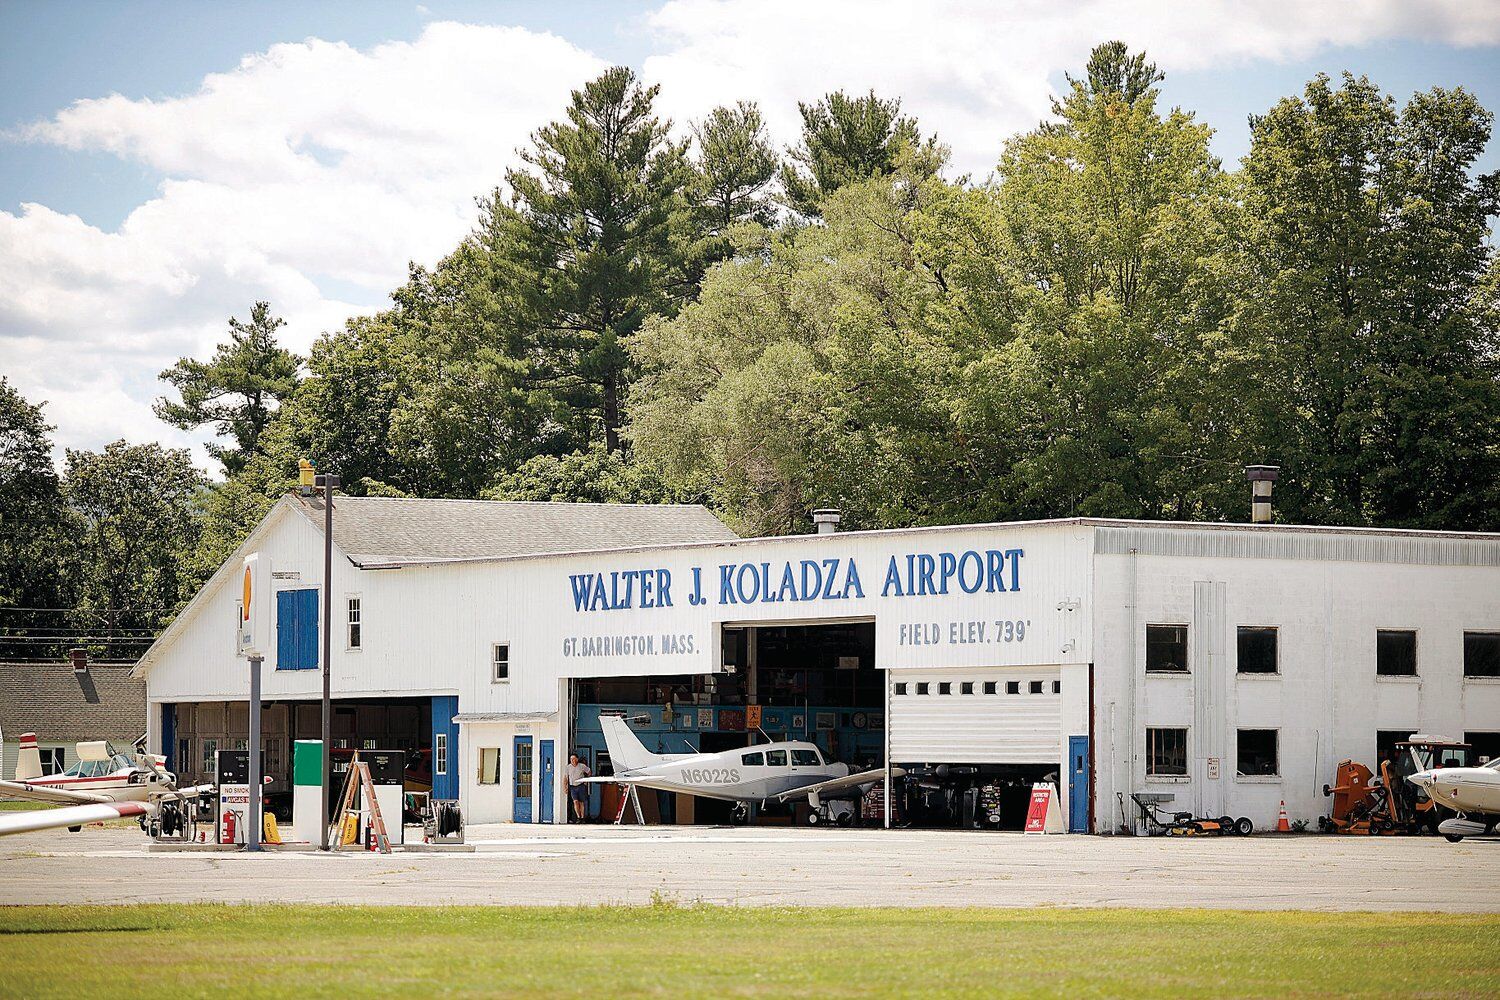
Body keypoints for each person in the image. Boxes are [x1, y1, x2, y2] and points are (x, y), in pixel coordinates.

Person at [564, 752, 591, 822]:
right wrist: (565, 787)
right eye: (571, 759)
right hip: (572, 786)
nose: (572, 760)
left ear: (577, 759)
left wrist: (586, 781)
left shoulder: (582, 766)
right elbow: (566, 778)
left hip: (581, 786)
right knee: (575, 801)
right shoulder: (568, 767)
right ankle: (578, 817)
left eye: (574, 759)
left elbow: (589, 771)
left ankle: (582, 818)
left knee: (581, 802)